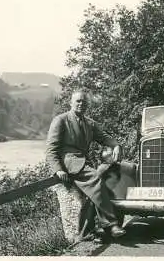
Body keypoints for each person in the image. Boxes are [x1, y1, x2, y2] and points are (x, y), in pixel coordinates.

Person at [45, 89, 127, 239]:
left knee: (91, 195)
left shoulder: (90, 123)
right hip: (69, 163)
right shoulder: (61, 120)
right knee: (96, 179)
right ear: (71, 103)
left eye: (84, 102)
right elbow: (51, 149)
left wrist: (116, 145)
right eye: (78, 101)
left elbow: (104, 137)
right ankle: (111, 225)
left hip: (84, 162)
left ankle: (84, 233)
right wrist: (57, 169)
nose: (81, 104)